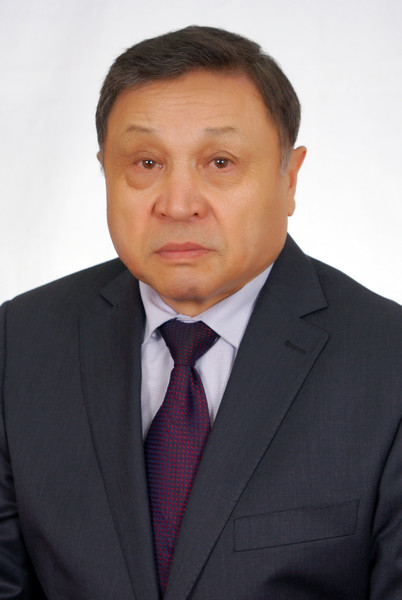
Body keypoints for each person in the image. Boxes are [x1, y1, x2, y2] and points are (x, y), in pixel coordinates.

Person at [0, 25, 401, 600]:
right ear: (105, 171)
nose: (178, 204)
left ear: (290, 178)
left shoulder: (388, 362)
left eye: (219, 161)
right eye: (145, 162)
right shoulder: (19, 343)